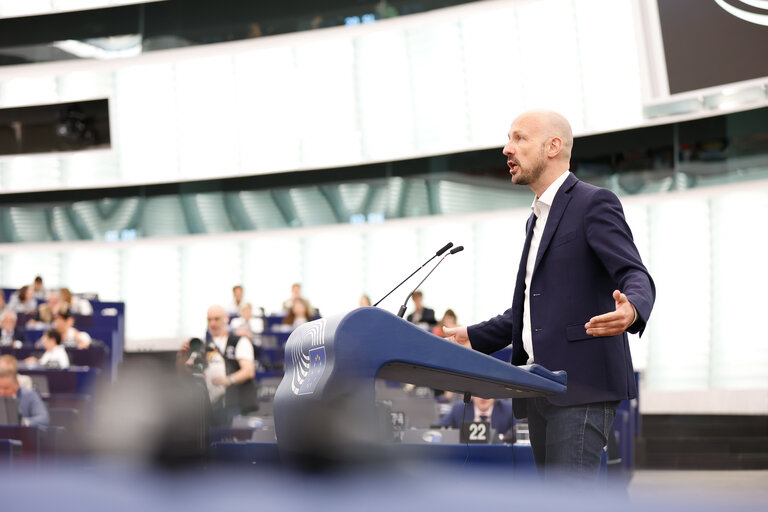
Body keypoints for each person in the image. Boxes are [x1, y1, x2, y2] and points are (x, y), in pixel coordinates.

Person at [443, 109, 655, 479]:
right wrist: (474, 335)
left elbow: (634, 273)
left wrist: (632, 308)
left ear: (553, 146)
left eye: (519, 138)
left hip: (581, 384)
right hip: (537, 387)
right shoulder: (536, 217)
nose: (507, 148)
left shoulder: (594, 203)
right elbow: (531, 309)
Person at [177, 305, 257, 426]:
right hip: (212, 408)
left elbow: (249, 371)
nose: (213, 323)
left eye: (216, 319)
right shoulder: (204, 346)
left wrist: (228, 380)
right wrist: (181, 357)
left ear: (226, 319)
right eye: (209, 320)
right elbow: (187, 374)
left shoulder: (240, 341)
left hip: (236, 406)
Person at [436, 397, 516, 441]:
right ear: (472, 395)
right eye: (479, 393)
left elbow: (520, 429)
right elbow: (438, 430)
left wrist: (504, 438)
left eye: (488, 392)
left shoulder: (508, 409)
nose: (483, 397)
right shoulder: (459, 409)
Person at [0, 356, 50, 426]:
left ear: (17, 384)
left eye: (6, 388)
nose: (2, 392)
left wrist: (23, 423)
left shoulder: (29, 395)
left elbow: (43, 418)